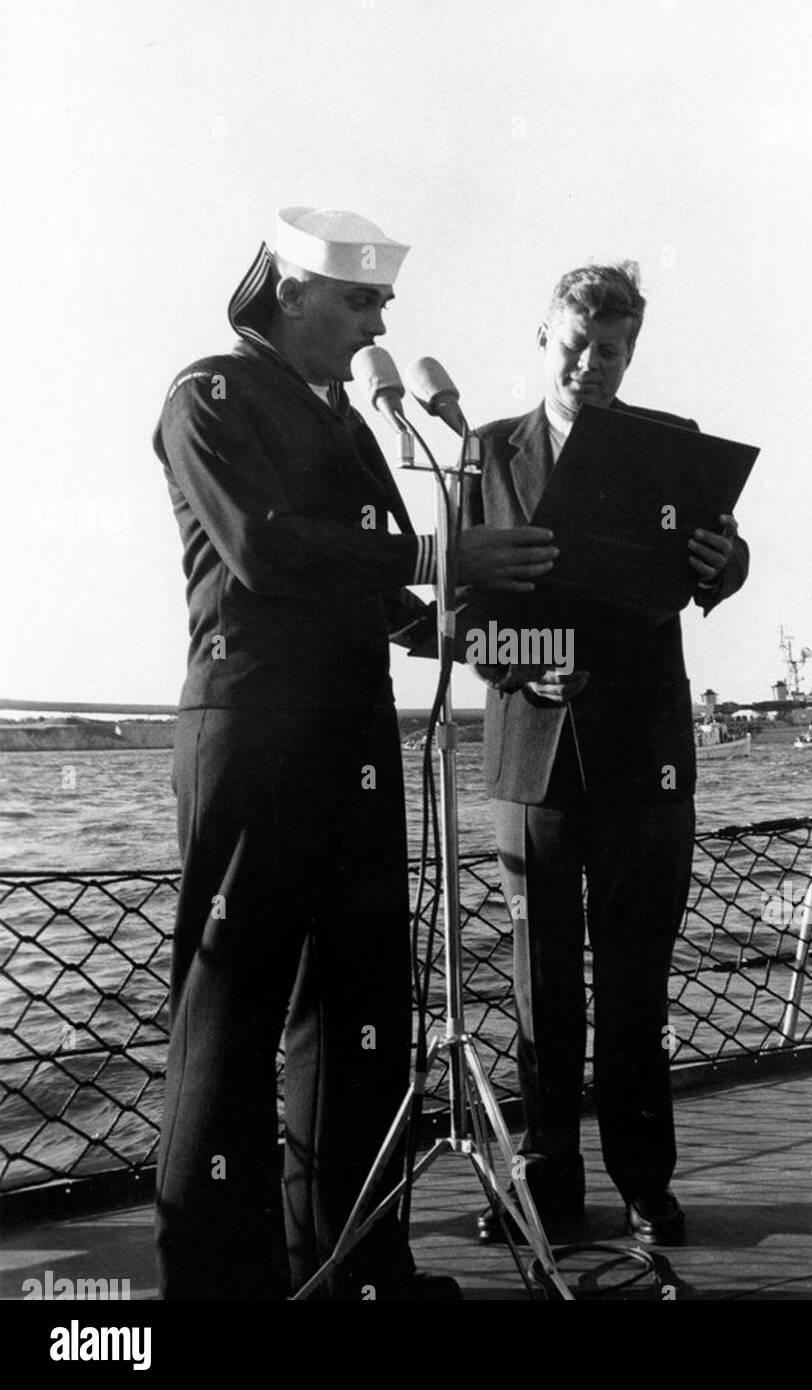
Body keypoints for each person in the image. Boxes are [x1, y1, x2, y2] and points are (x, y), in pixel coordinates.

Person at [152, 205, 556, 1299]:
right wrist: (436, 550)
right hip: (257, 733)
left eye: (383, 299)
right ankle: (214, 1282)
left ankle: (351, 1267)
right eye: (361, 299)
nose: (382, 317)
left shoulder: (345, 421)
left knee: (360, 1013)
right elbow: (266, 547)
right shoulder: (211, 397)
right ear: (290, 292)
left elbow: (386, 593)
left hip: (355, 738)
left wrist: (482, 634)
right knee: (230, 1014)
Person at [461, 261, 749, 1245]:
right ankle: (548, 1180)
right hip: (531, 757)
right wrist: (526, 660)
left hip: (645, 753)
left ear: (633, 350)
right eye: (577, 345)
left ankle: (643, 1177)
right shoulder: (485, 449)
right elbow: (460, 616)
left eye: (613, 350)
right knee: (541, 983)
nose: (593, 364)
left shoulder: (672, 446)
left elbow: (721, 555)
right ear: (545, 337)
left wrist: (728, 563)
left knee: (637, 979)